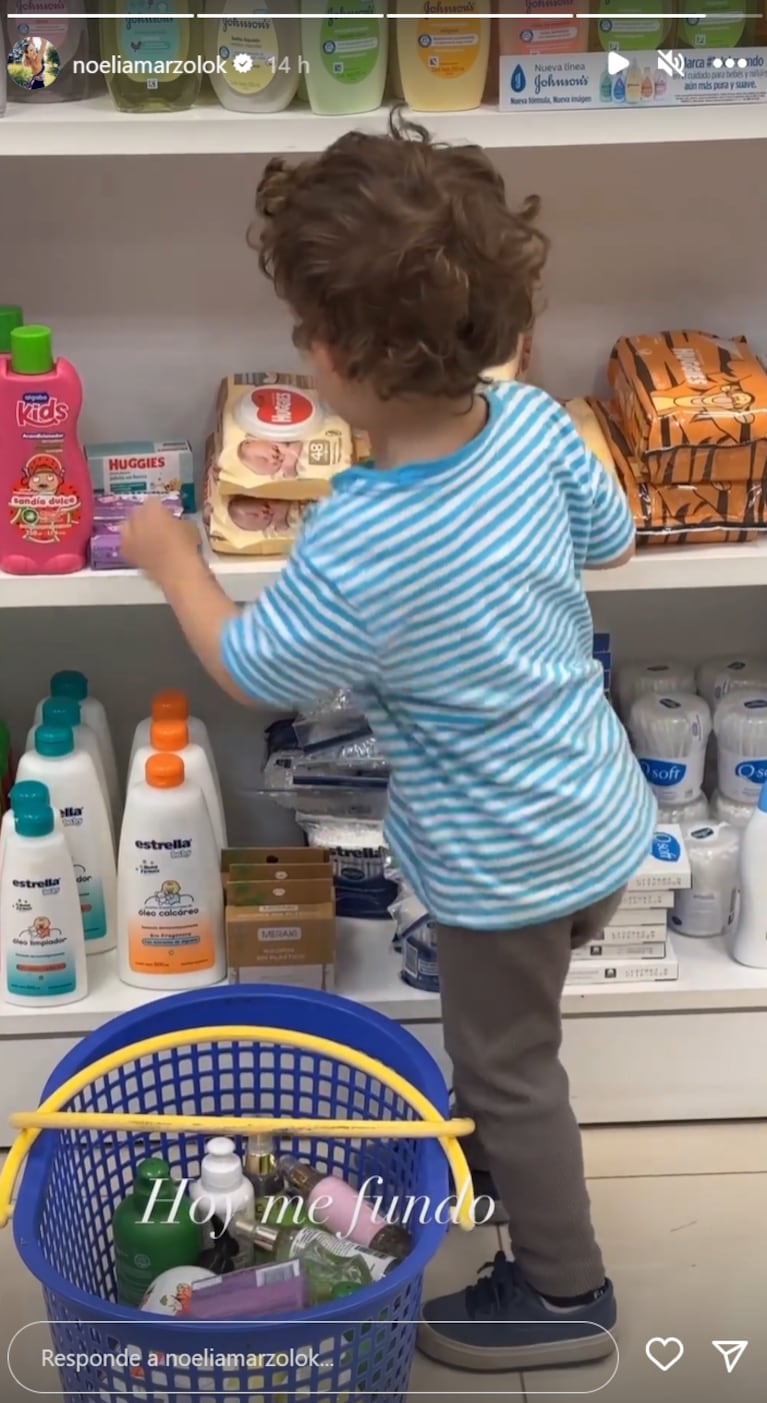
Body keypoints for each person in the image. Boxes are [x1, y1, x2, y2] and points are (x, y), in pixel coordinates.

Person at [120, 112, 656, 1375]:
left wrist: (175, 561)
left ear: (346, 360)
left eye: (305, 331)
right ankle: (489, 1153)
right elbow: (613, 535)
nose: (297, 350)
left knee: (509, 1062)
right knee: (514, 1035)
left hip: (502, 866)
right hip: (594, 813)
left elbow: (253, 662)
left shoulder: (362, 532)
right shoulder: (526, 421)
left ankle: (564, 1288)